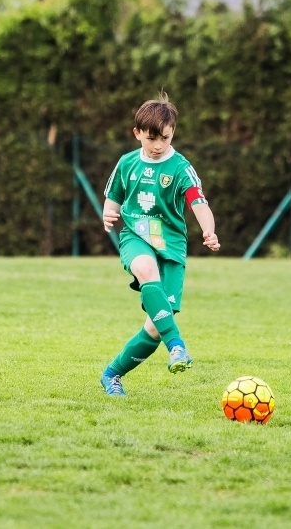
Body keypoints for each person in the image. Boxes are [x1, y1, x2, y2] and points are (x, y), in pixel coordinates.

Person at [99, 91, 220, 396]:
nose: (157, 145)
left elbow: (198, 202)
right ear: (137, 133)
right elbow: (113, 199)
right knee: (144, 269)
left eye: (164, 138)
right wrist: (108, 214)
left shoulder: (181, 168)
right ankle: (177, 346)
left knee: (155, 327)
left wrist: (208, 230)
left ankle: (112, 374)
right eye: (151, 138)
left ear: (172, 133)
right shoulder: (127, 163)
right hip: (136, 236)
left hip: (172, 247)